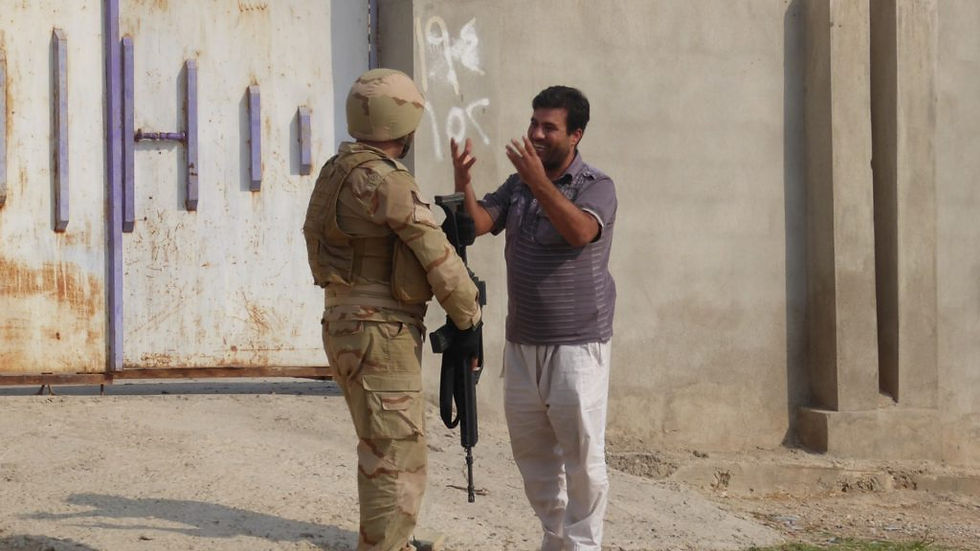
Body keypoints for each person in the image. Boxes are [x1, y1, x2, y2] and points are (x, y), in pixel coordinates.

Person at [304, 68, 481, 551]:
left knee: (381, 448)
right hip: (379, 331)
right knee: (397, 454)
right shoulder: (385, 180)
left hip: (345, 322)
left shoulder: (337, 169)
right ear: (403, 123)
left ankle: (390, 540)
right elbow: (434, 251)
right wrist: (469, 315)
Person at [450, 85, 616, 551]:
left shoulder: (596, 186)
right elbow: (481, 222)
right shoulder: (520, 183)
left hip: (577, 345)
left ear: (576, 135)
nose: (536, 134)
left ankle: (583, 546)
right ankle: (555, 539)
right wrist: (463, 181)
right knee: (534, 457)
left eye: (549, 127)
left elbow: (580, 231)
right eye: (533, 123)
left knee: (583, 457)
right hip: (523, 344)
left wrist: (539, 182)